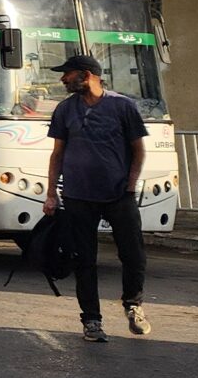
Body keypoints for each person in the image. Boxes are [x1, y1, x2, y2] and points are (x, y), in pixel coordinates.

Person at [41, 52, 150, 342]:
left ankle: (133, 305)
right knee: (84, 259)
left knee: (133, 255)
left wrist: (130, 185)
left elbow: (138, 150)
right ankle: (91, 321)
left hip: (119, 194)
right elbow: (57, 154)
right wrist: (51, 194)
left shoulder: (122, 106)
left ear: (86, 75)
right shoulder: (65, 109)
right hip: (78, 196)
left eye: (67, 73)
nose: (63, 79)